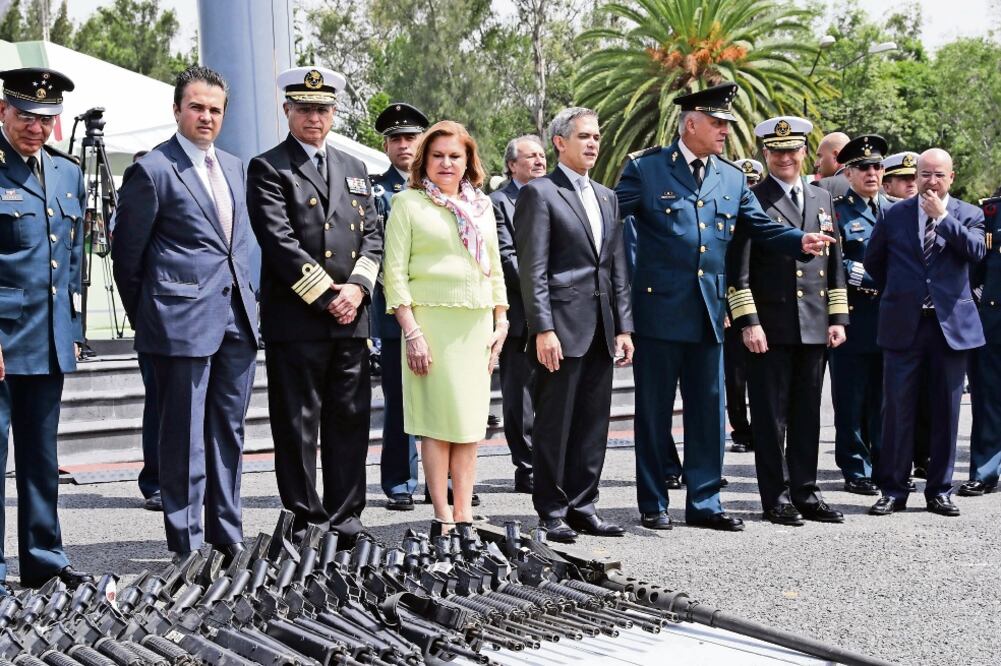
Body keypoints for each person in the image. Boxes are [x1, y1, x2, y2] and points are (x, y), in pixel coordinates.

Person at [618, 91, 834, 533]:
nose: (724, 131)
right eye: (717, 123)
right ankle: (654, 501)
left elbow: (759, 225)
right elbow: (605, 218)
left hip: (709, 312)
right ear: (690, 123)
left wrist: (799, 241)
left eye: (726, 124)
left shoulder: (732, 178)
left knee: (709, 411)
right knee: (655, 411)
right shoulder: (648, 168)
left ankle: (705, 502)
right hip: (658, 311)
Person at [112, 66, 260, 561]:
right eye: (196, 106)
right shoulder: (152, 170)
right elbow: (127, 259)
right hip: (179, 328)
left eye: (215, 109)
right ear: (176, 109)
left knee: (228, 434)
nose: (206, 116)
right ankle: (188, 543)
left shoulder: (236, 168)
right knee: (182, 438)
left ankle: (226, 532)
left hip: (236, 321)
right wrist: (152, 318)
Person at [247, 67, 381, 544]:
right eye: (304, 108)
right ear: (287, 111)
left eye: (322, 109)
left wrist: (358, 291)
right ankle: (306, 519)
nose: (314, 118)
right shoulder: (268, 167)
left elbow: (374, 238)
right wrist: (329, 296)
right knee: (298, 425)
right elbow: (279, 243)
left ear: (334, 113)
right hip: (300, 319)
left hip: (352, 318)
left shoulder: (355, 168)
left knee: (349, 421)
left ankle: (346, 518)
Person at [513, 106, 635, 545]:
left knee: (592, 424)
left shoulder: (607, 196)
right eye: (583, 136)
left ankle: (584, 506)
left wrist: (624, 327)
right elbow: (533, 269)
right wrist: (542, 328)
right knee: (554, 423)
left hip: (601, 328)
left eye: (597, 136)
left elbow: (616, 266)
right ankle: (552, 510)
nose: (592, 144)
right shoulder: (539, 193)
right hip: (560, 329)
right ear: (560, 143)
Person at [382, 120, 508, 536]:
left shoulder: (482, 206)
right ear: (425, 160)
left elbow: (495, 268)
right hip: (429, 326)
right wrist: (412, 331)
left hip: (475, 324)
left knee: (469, 425)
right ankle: (441, 517)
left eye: (455, 155)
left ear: (469, 159)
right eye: (438, 155)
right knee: (437, 425)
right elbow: (394, 273)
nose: (446, 163)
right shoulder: (408, 203)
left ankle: (465, 515)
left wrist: (501, 319)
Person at [727, 116, 849, 527]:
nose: (785, 157)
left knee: (807, 414)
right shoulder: (752, 199)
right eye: (777, 151)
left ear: (803, 152)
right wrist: (748, 320)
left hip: (815, 325)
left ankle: (807, 491)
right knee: (769, 417)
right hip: (771, 326)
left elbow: (835, 263)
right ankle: (776, 497)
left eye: (792, 150)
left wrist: (838, 316)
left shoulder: (821, 198)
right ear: (766, 153)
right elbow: (737, 269)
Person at [0, 68, 93, 592]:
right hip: (3, 340)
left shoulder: (65, 173)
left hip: (46, 339)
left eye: (45, 118)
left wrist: (71, 328)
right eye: (25, 116)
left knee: (42, 456)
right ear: (2, 112)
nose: (35, 128)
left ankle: (43, 560)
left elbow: (71, 256)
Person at [864, 148, 985, 517]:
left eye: (938, 174)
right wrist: (904, 295)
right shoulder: (895, 213)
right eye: (925, 174)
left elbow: (977, 252)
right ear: (915, 176)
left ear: (952, 176)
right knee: (897, 409)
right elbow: (874, 262)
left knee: (946, 412)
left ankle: (939, 490)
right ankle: (893, 490)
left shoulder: (970, 214)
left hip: (951, 327)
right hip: (905, 324)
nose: (931, 181)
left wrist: (943, 218)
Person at [370, 102, 429, 512]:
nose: (404, 145)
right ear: (387, 146)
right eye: (396, 139)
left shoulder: (441, 186)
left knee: (443, 398)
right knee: (401, 402)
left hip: (442, 311)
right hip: (396, 314)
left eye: (411, 138)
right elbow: (373, 251)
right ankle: (400, 481)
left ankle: (444, 480)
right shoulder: (376, 192)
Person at [829, 135, 891, 496]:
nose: (872, 173)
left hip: (889, 318)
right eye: (863, 168)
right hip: (853, 315)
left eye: (877, 167)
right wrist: (864, 275)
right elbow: (831, 260)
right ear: (848, 174)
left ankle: (884, 464)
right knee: (850, 398)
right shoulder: (836, 210)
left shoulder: (895, 208)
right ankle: (855, 468)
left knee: (884, 399)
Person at [492, 134, 547, 494]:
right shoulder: (497, 202)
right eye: (531, 157)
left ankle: (550, 461)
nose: (540, 162)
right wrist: (540, 289)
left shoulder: (553, 195)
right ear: (512, 165)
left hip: (557, 312)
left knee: (551, 393)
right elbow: (506, 256)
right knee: (519, 397)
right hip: (520, 314)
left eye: (543, 156)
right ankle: (526, 466)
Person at [881, 150, 930, 482]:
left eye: (917, 178)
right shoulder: (891, 216)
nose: (912, 184)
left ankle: (923, 460)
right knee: (894, 403)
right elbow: (874, 262)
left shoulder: (952, 212)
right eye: (904, 179)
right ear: (889, 184)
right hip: (893, 315)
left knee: (929, 400)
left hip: (936, 322)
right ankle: (892, 476)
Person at [124, 148, 163, 513]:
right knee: (160, 404)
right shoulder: (142, 186)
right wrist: (142, 315)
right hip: (158, 317)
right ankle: (155, 481)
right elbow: (128, 261)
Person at [964, 195, 1001, 496]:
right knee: (988, 398)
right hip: (993, 318)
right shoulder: (991, 211)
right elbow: (975, 265)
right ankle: (985, 471)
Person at [727, 158, 763, 454]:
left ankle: (763, 429)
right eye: (745, 182)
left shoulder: (762, 215)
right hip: (733, 308)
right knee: (736, 378)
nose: (749, 188)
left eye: (754, 182)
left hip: (764, 310)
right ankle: (741, 430)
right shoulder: (727, 217)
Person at [812, 131, 850, 197]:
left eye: (820, 156)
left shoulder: (823, 186)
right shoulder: (866, 182)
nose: (816, 164)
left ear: (836, 156)